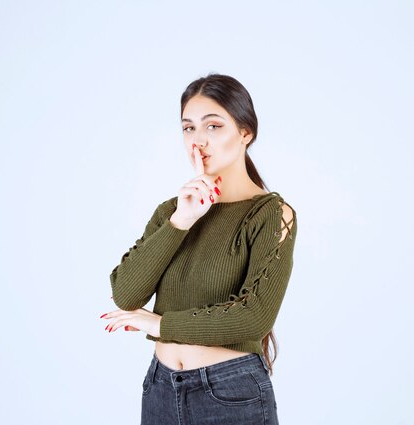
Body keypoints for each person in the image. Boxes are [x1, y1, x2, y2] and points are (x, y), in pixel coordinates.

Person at [100, 73, 298, 425]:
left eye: (213, 126)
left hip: (231, 394)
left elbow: (254, 317)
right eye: (188, 128)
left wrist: (160, 324)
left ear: (245, 133)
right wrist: (182, 220)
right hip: (160, 388)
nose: (199, 141)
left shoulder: (270, 214)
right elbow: (126, 294)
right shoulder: (172, 211)